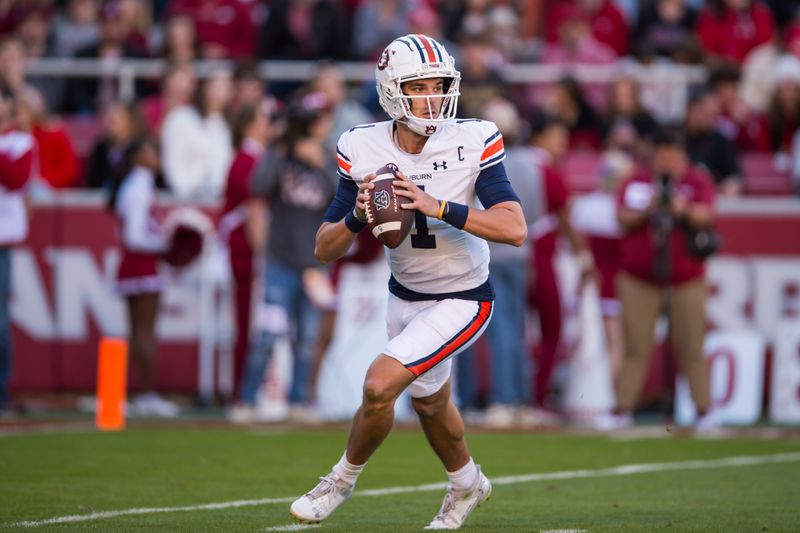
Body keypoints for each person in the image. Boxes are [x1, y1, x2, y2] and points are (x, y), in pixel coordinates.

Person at [290, 34, 526, 529]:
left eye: (440, 85)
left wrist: (437, 205)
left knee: (380, 386)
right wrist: (355, 217)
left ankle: (339, 480)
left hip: (464, 297)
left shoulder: (473, 137)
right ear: (392, 91)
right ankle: (467, 485)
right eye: (420, 86)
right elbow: (323, 248)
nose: (434, 97)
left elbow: (513, 228)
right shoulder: (361, 145)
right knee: (431, 402)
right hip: (405, 297)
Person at [232, 90, 338, 423]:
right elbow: (258, 185)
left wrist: (320, 164)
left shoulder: (331, 158)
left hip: (314, 263)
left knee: (307, 340)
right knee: (267, 335)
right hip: (280, 260)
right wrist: (280, 149)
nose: (314, 126)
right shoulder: (281, 156)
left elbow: (344, 199)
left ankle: (299, 402)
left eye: (318, 119)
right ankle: (246, 401)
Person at [600, 127, 716, 431]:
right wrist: (649, 208)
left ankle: (703, 410)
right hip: (640, 276)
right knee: (636, 345)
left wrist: (684, 209)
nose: (666, 164)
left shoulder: (696, 180)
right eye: (662, 157)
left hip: (686, 276)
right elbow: (622, 216)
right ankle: (622, 408)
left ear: (683, 158)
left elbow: (707, 215)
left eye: (672, 158)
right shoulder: (637, 179)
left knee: (691, 344)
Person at [108, 137, 179, 417]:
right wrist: (166, 244)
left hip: (137, 263)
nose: (156, 156)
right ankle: (145, 393)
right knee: (145, 331)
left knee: (138, 331)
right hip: (141, 264)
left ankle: (125, 393)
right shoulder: (138, 187)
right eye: (149, 150)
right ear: (137, 157)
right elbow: (134, 235)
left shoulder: (138, 185)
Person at [0, 88, 34, 417]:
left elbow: (15, 179)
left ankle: (2, 389)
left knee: (0, 319)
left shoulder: (20, 142)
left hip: (3, 242)